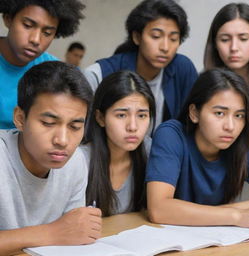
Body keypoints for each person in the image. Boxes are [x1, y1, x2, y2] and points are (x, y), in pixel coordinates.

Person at [0, 61, 102, 255]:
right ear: (20, 119)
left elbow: (75, 235)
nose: (62, 141)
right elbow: (63, 233)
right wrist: (53, 232)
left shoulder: (76, 161)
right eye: (48, 123)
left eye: (74, 126)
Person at [146, 68, 249, 227]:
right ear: (194, 113)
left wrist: (229, 210)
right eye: (219, 113)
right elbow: (159, 209)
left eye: (239, 116)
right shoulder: (171, 135)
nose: (230, 126)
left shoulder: (241, 144)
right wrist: (236, 216)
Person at [84, 0, 198, 131]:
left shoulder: (183, 69)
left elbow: (192, 127)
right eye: (156, 36)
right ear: (137, 37)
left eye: (173, 39)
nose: (165, 47)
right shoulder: (98, 74)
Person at [0, 0, 85, 129]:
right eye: (27, 25)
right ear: (8, 19)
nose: (35, 39)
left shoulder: (55, 73)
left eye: (47, 33)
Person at [84, 70, 156, 217]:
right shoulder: (82, 160)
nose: (133, 127)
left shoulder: (151, 151)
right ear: (100, 118)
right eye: (121, 115)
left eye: (142, 115)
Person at [204, 3, 249, 118]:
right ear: (215, 44)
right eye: (225, 39)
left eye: (243, 39)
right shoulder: (203, 87)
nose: (234, 47)